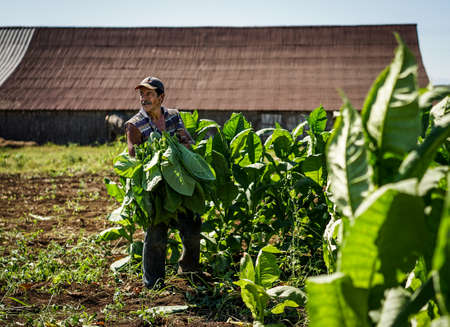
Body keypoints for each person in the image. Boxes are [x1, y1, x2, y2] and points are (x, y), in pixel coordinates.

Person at [125, 76, 202, 289]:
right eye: (142, 94)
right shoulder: (134, 125)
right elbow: (133, 155)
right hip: (154, 187)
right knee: (156, 235)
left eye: (149, 94)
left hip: (179, 182)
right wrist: (156, 153)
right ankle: (153, 284)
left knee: (193, 226)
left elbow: (186, 139)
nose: (144, 98)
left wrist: (184, 145)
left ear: (161, 97)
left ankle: (189, 271)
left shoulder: (174, 116)